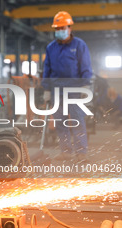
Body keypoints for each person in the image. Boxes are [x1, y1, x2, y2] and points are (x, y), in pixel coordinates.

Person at [42, 11, 93, 163]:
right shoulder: (51, 48)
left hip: (75, 89)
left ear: (69, 28)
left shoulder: (79, 45)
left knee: (77, 120)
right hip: (56, 90)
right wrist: (46, 89)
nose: (59, 31)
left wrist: (86, 84)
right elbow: (47, 69)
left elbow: (85, 66)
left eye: (62, 28)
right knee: (60, 122)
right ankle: (66, 152)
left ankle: (81, 152)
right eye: (57, 29)